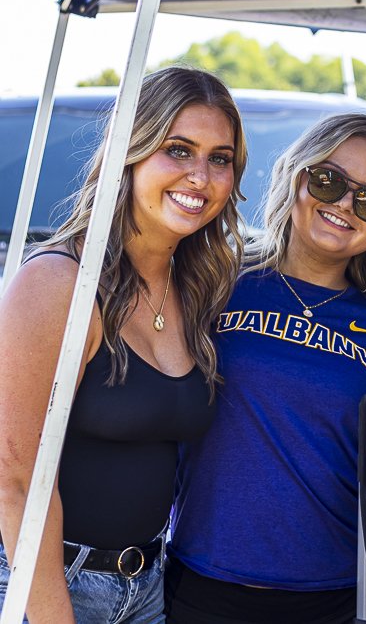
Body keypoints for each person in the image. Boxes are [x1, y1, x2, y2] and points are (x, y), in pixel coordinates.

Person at [0, 67, 247, 624]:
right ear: (129, 154)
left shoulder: (198, 288)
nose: (200, 177)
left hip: (147, 588)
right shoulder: (60, 282)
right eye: (177, 149)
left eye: (220, 158)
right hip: (41, 583)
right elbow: (11, 482)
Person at [164, 113, 366, 624]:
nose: (344, 204)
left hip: (333, 596)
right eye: (329, 180)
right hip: (202, 583)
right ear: (297, 177)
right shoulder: (214, 282)